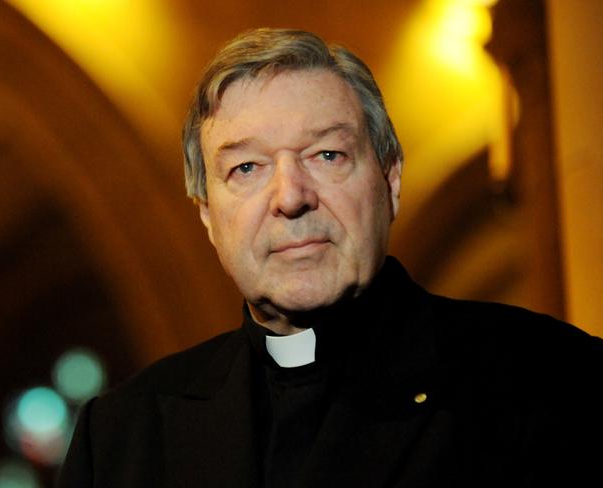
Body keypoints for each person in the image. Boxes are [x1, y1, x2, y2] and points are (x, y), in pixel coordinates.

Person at [58, 28, 603, 487]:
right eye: (246, 168)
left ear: (390, 181)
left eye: (327, 154)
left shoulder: (549, 379)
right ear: (207, 214)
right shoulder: (122, 436)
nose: (291, 197)